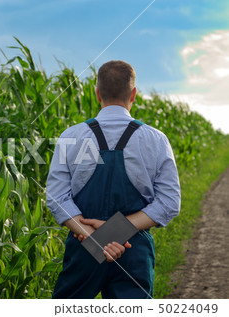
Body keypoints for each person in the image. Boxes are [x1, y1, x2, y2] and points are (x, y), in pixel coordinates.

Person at [46, 60, 181, 299]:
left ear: (97, 93)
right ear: (134, 94)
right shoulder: (156, 140)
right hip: (133, 250)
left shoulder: (71, 136)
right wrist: (118, 232)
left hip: (84, 248)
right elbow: (169, 203)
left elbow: (56, 198)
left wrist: (94, 237)